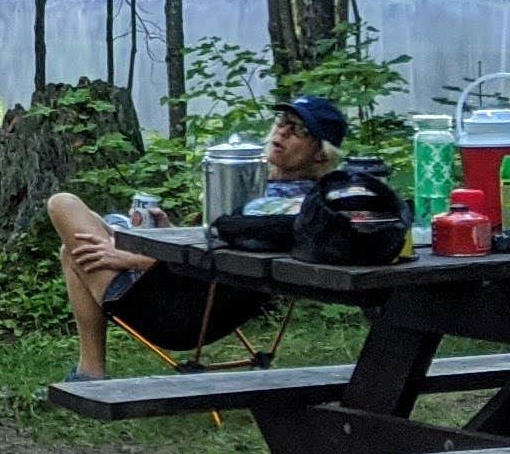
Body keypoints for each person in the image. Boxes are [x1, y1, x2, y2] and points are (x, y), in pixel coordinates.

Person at [47, 95, 350, 382]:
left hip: (177, 314)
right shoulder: (260, 190)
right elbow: (216, 251)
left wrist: (132, 257)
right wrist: (166, 235)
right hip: (187, 298)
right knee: (70, 249)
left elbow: (230, 264)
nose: (282, 131)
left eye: (298, 129)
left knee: (63, 204)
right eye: (282, 120)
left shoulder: (292, 208)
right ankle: (90, 374)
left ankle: (90, 375)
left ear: (321, 153)